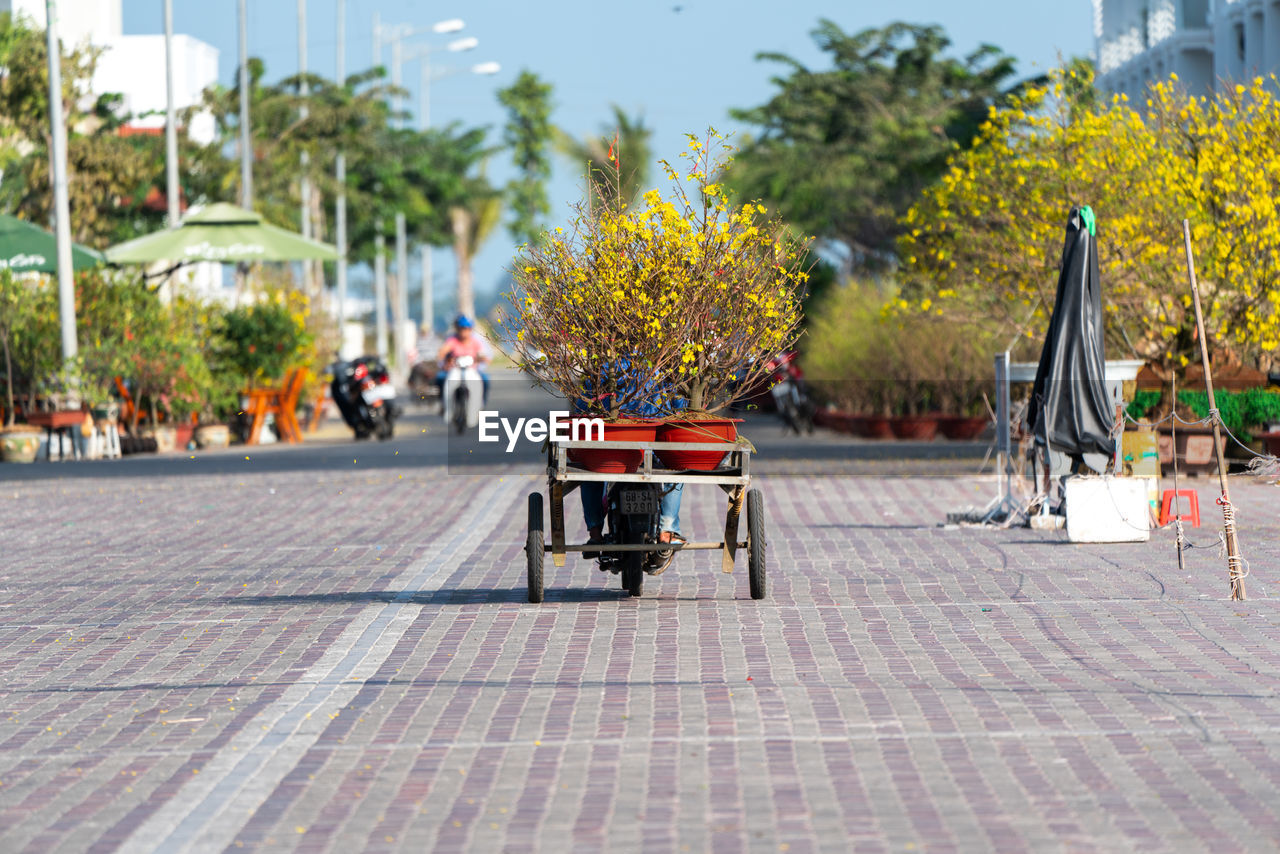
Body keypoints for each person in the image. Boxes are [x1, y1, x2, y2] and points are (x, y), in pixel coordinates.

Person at [578, 362, 685, 574]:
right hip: (652, 448)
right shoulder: (662, 364)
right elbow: (679, 409)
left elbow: (582, 412)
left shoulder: (599, 369)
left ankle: (595, 532)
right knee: (677, 464)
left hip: (611, 451)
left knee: (588, 469)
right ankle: (668, 529)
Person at [435, 315, 491, 403]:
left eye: (466, 328)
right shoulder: (452, 340)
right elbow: (443, 352)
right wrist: (444, 361)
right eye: (461, 328)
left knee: (485, 379)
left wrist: (481, 359)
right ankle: (443, 402)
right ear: (457, 329)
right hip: (454, 369)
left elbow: (483, 354)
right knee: (440, 377)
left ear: (470, 329)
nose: (464, 331)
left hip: (472, 370)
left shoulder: (475, 341)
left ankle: (482, 402)